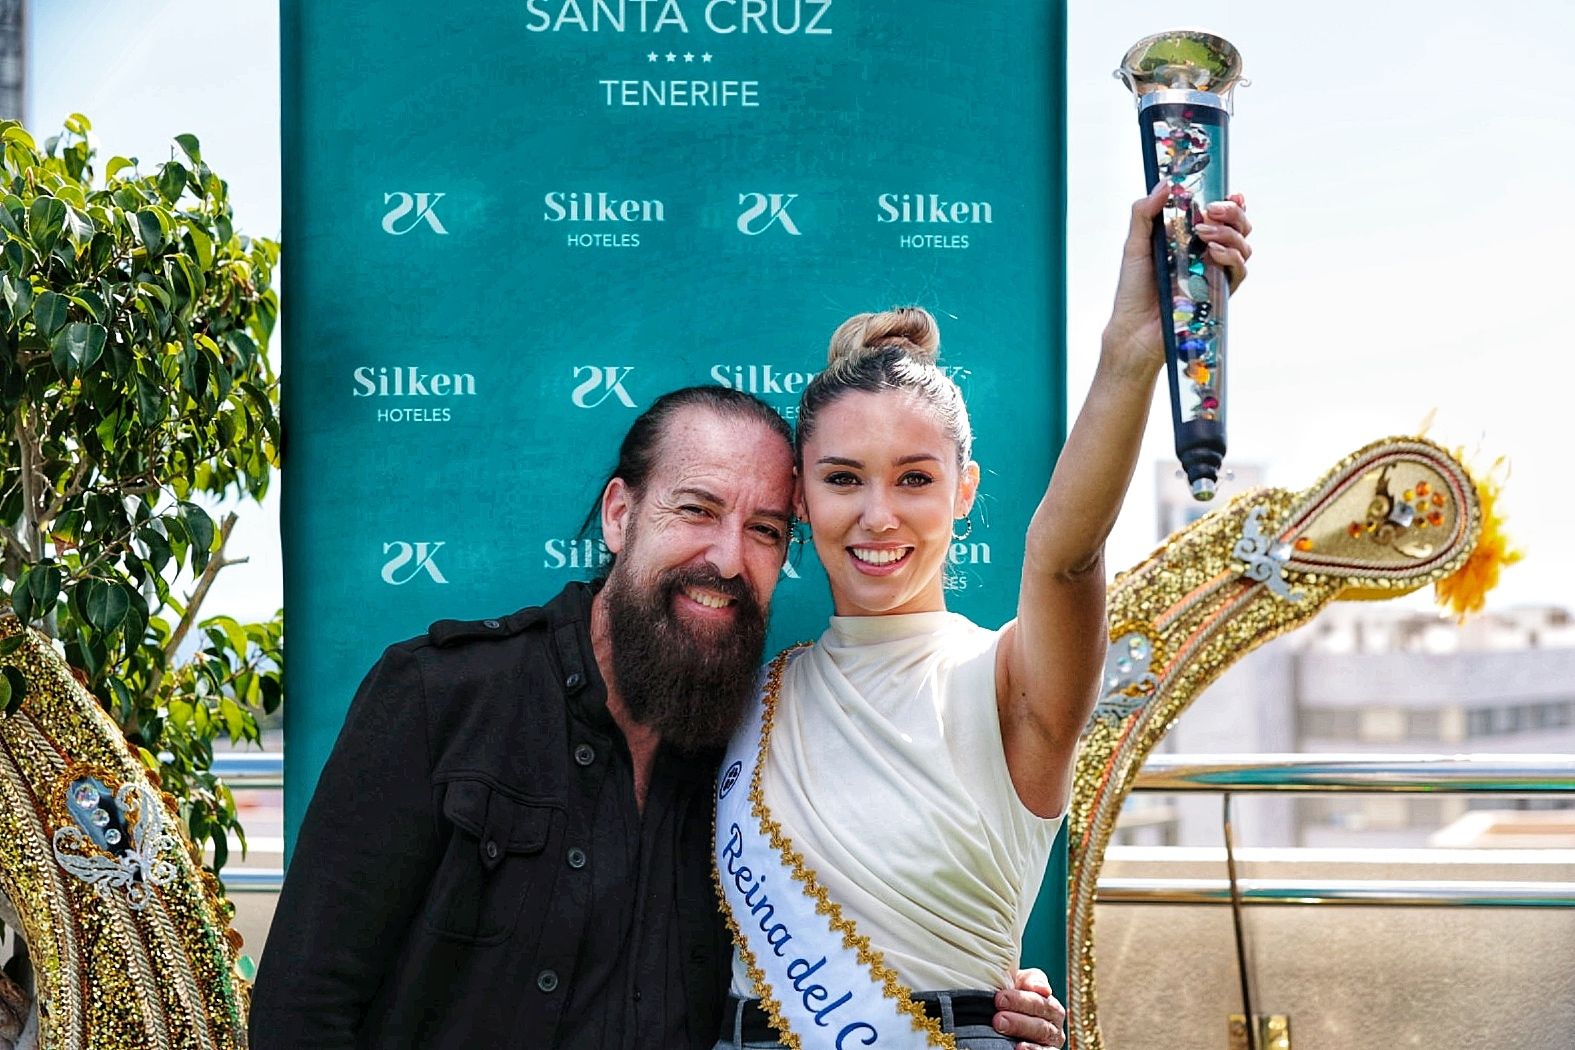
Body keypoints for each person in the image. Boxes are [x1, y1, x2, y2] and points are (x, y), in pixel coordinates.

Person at [250, 386, 1065, 1050]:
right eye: (696, 510)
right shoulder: (440, 698)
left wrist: (978, 1003)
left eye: (763, 530)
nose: (724, 557)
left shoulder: (747, 742)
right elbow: (304, 1009)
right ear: (618, 514)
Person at [712, 183, 1251, 1049]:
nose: (877, 515)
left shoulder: (1009, 682)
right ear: (800, 498)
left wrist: (1132, 351)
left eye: (915, 478)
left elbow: (1064, 555)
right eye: (843, 478)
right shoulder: (748, 695)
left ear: (963, 489)